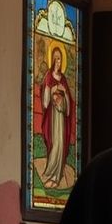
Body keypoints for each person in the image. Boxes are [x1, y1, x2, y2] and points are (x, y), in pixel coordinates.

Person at [40, 46, 75, 188]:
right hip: (53, 117)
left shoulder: (64, 79)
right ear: (52, 60)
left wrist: (63, 94)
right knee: (54, 143)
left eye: (60, 59)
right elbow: (45, 101)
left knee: (60, 144)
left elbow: (68, 99)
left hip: (61, 117)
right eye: (56, 59)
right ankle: (50, 172)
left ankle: (57, 176)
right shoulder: (49, 76)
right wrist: (52, 90)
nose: (58, 62)